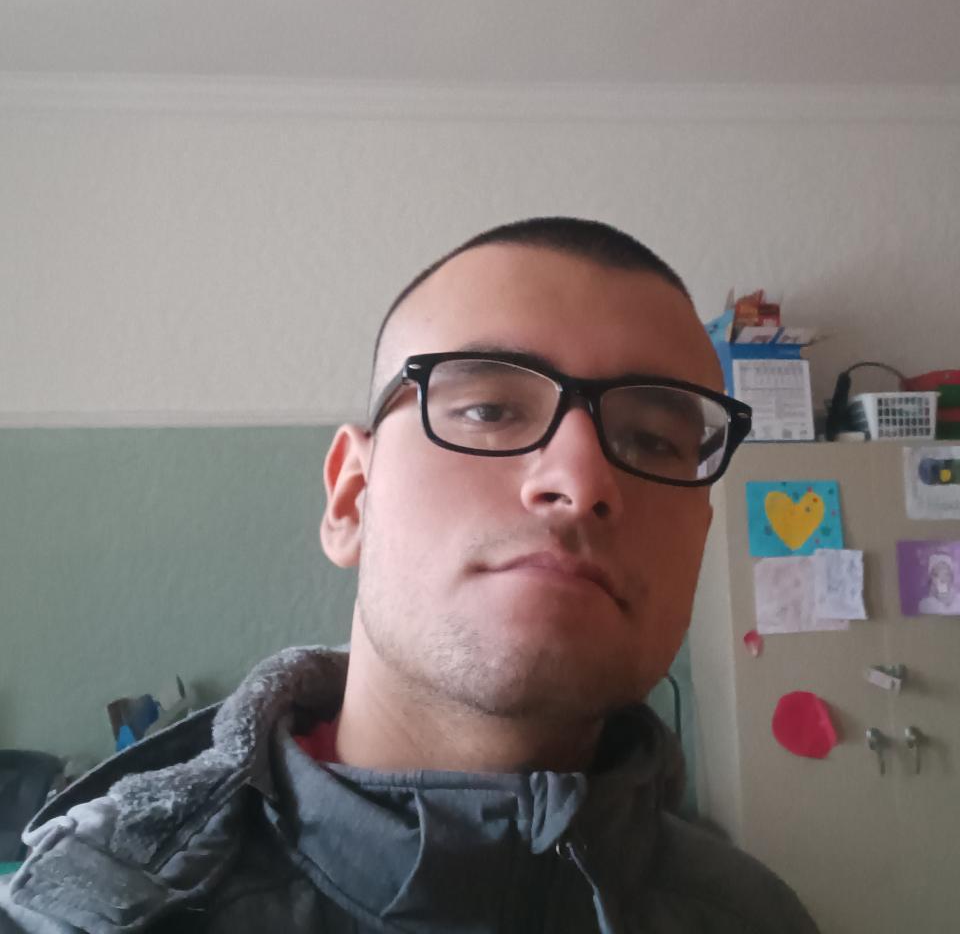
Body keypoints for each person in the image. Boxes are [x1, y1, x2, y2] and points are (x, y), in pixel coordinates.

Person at [1, 217, 819, 932]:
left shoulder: (759, 917)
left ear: (700, 536)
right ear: (352, 498)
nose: (582, 479)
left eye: (652, 442)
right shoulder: (81, 912)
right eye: (490, 410)